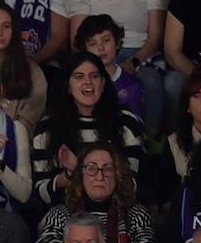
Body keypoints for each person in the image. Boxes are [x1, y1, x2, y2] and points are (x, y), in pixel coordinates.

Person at [67, 0, 169, 126]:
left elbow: (155, 36)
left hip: (140, 55)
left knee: (149, 81)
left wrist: (132, 63)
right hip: (97, 53)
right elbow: (77, 41)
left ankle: (149, 140)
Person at [30, 54, 144, 207]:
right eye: (79, 77)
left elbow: (133, 188)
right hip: (66, 212)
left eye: (94, 76)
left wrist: (81, 168)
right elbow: (42, 194)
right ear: (67, 87)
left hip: (117, 210)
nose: (88, 82)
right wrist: (69, 174)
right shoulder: (48, 127)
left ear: (103, 83)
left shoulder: (126, 123)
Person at [38, 144, 155, 243]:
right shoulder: (61, 214)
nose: (100, 176)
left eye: (108, 169)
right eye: (92, 169)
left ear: (117, 174)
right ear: (81, 174)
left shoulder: (136, 213)